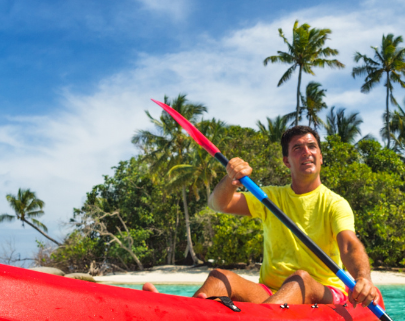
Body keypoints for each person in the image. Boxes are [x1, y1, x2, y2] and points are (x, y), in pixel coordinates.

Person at [144, 125, 379, 307]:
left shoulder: (335, 203)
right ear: (287, 161)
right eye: (297, 148)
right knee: (219, 277)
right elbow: (218, 204)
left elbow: (349, 246)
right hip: (272, 292)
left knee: (300, 280)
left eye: (312, 146)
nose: (306, 152)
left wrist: (363, 278)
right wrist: (230, 179)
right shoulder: (270, 198)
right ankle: (181, 319)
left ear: (321, 156)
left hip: (324, 291)